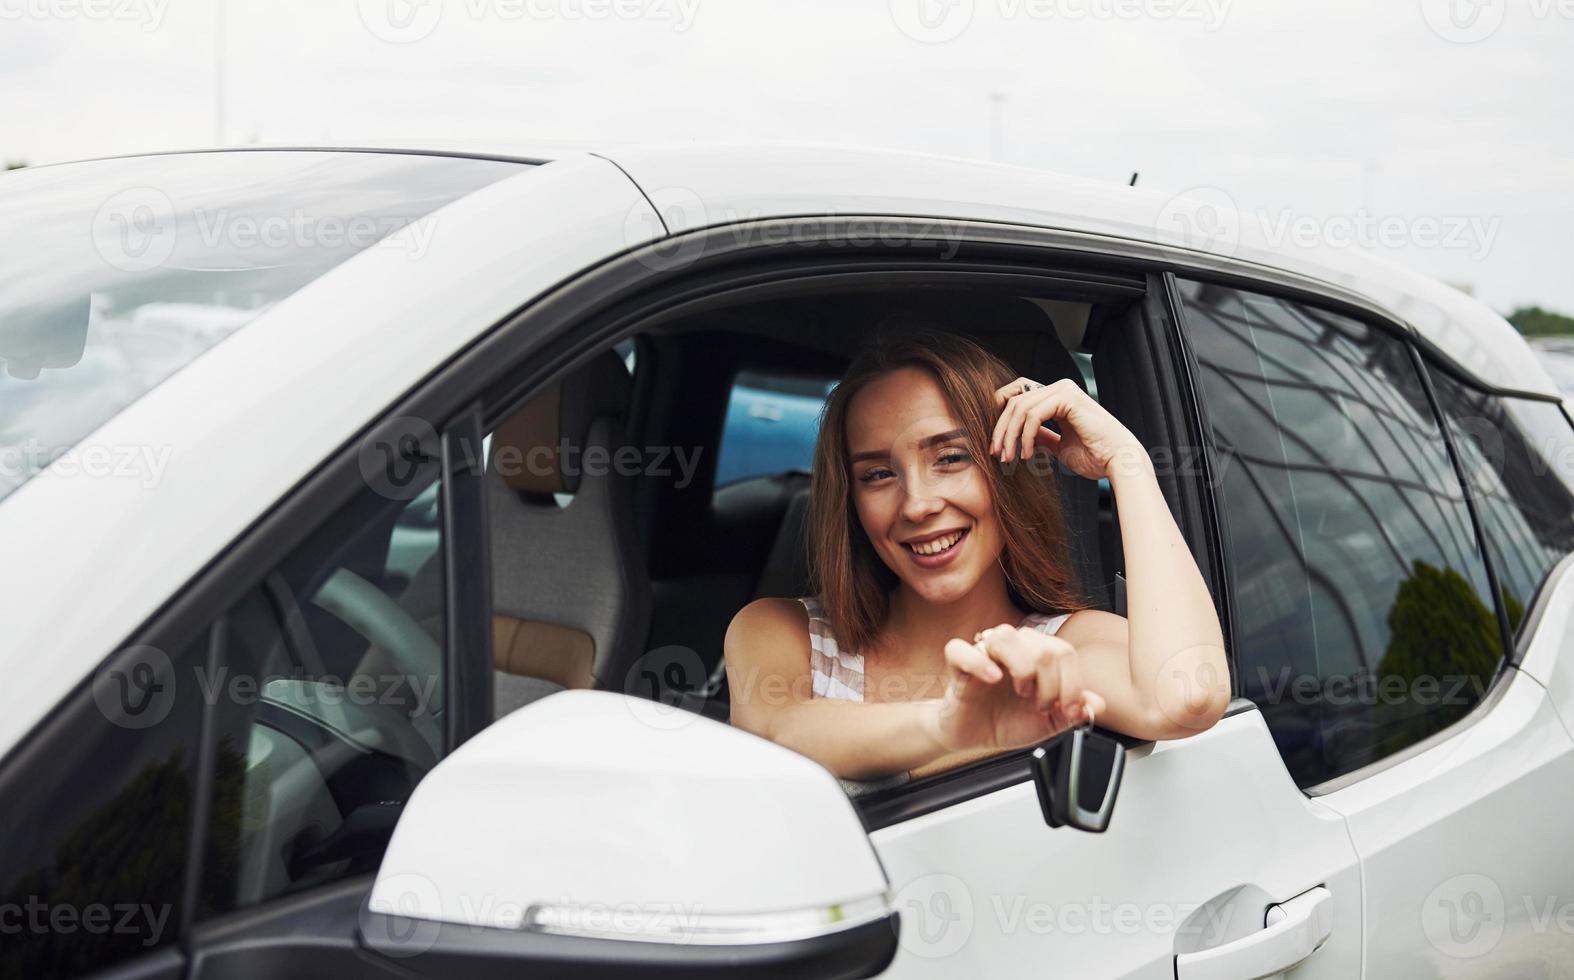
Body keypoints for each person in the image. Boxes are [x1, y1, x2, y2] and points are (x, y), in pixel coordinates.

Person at [723, 328, 1230, 781]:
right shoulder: (779, 631)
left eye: (950, 458)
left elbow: (1187, 697)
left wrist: (1127, 463)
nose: (917, 505)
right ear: (850, 501)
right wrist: (951, 725)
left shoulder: (1058, 651)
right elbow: (774, 735)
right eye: (878, 474)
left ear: (1006, 467)